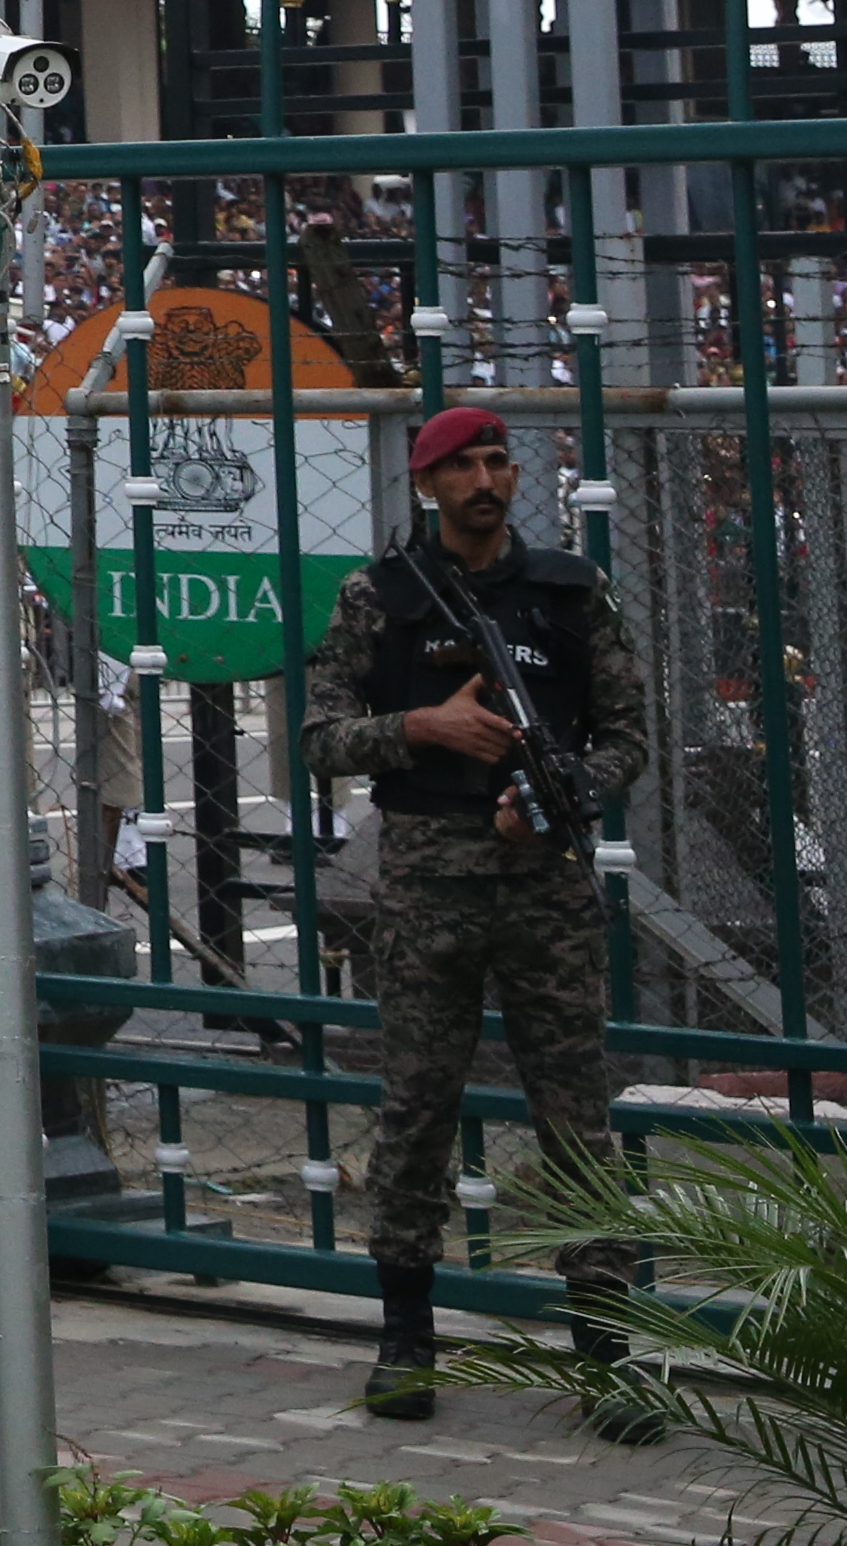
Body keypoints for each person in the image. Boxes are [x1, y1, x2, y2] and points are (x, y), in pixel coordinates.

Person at [303, 404, 659, 1430]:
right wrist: (424, 725)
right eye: (461, 466)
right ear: (428, 485)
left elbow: (629, 733)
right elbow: (322, 736)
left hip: (544, 886)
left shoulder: (569, 593)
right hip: (426, 888)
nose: (485, 480)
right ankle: (406, 1341)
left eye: (498, 461)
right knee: (417, 1112)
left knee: (578, 1124)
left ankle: (606, 1353)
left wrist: (562, 794)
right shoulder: (380, 598)